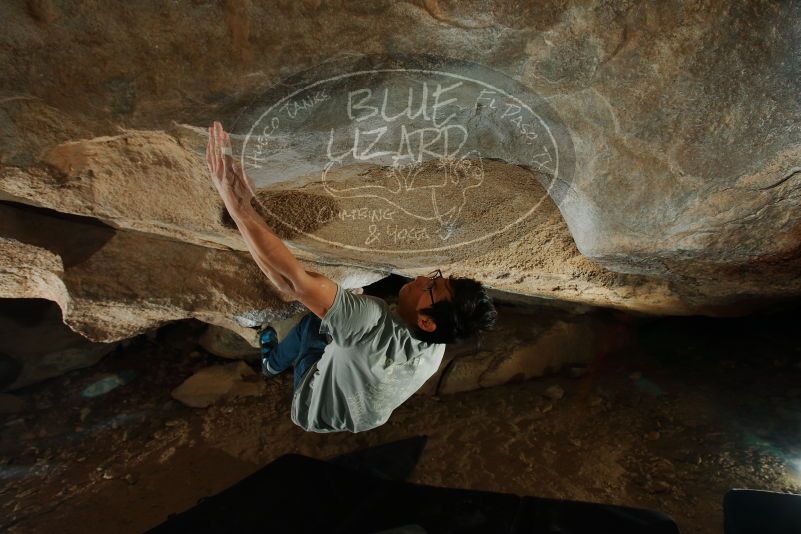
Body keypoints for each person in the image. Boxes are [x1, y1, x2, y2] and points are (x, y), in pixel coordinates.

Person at [206, 122, 497, 433]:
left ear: (427, 321)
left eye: (431, 287)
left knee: (312, 325)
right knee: (339, 320)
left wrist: (237, 205)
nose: (424, 276)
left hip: (312, 408)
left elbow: (291, 281)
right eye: (436, 278)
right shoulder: (438, 343)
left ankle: (271, 363)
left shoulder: (369, 320)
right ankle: (298, 354)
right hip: (367, 415)